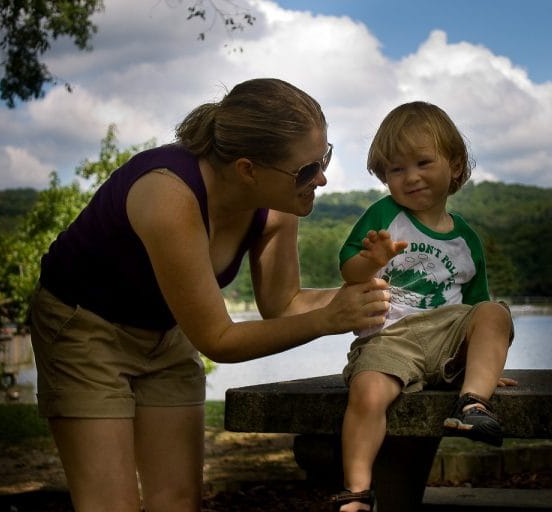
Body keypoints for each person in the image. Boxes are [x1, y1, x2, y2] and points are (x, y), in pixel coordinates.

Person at [28, 78, 390, 512]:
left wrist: (370, 295)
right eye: (307, 170)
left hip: (167, 328)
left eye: (323, 158)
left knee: (178, 501)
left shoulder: (279, 205)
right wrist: (327, 320)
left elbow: (284, 304)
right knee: (110, 504)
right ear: (247, 169)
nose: (323, 178)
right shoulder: (167, 195)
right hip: (83, 328)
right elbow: (217, 340)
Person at [331, 101, 516, 512]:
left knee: (495, 313)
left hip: (448, 338)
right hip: (391, 336)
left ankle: (473, 401)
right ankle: (357, 491)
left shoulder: (465, 238)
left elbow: (476, 307)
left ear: (454, 165)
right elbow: (349, 271)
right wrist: (372, 259)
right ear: (384, 177)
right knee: (368, 392)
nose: (411, 177)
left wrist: (483, 362)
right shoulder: (385, 216)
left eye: (422, 162)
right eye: (396, 170)